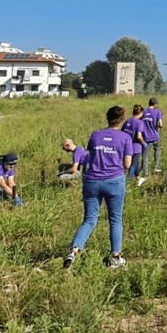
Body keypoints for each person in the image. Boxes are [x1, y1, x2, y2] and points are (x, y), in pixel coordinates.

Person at [63, 106, 132, 270]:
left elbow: (91, 156)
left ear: (107, 118)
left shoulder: (95, 135)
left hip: (92, 181)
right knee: (115, 219)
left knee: (89, 220)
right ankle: (116, 256)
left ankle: (73, 252)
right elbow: (127, 164)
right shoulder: (125, 138)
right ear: (122, 119)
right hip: (114, 181)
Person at [122, 104, 146, 185]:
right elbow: (139, 136)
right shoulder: (140, 123)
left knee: (126, 165)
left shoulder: (127, 121)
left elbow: (122, 133)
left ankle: (137, 178)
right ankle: (127, 184)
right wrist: (144, 143)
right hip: (135, 147)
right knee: (133, 165)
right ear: (140, 112)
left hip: (125, 147)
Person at [140, 97, 163, 179]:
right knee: (157, 149)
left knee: (145, 156)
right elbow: (161, 125)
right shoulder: (158, 112)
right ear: (155, 104)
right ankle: (156, 165)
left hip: (145, 138)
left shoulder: (143, 112)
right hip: (155, 137)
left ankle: (146, 174)